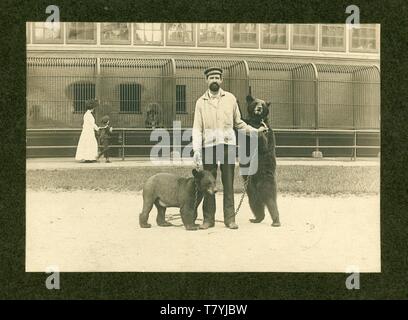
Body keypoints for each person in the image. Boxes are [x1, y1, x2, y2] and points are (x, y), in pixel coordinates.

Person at [192, 67, 267, 230]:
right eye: (211, 77)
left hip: (228, 147)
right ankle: (208, 219)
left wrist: (255, 131)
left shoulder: (231, 99)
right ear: (206, 80)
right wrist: (197, 151)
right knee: (208, 184)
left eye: (217, 77)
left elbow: (238, 123)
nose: (214, 80)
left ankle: (230, 219)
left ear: (221, 80)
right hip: (209, 147)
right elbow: (197, 128)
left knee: (228, 184)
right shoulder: (200, 102)